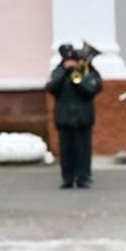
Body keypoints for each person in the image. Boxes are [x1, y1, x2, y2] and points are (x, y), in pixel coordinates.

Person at [45, 42, 102, 188]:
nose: (71, 63)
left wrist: (78, 81)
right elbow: (51, 88)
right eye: (68, 60)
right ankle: (67, 178)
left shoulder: (88, 72)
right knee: (66, 150)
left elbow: (93, 89)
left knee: (83, 149)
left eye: (74, 60)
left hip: (83, 117)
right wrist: (65, 72)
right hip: (64, 117)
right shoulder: (58, 72)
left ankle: (83, 177)